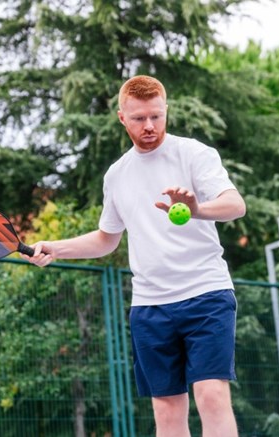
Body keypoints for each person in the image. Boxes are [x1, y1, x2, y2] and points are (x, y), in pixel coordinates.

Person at [25, 75, 246, 437]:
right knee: (166, 408)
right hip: (150, 306)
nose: (149, 126)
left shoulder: (194, 153)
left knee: (211, 395)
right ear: (122, 117)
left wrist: (197, 209)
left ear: (166, 111)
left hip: (206, 294)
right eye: (140, 118)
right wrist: (55, 246)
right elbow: (106, 239)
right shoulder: (117, 175)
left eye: (157, 116)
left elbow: (235, 205)